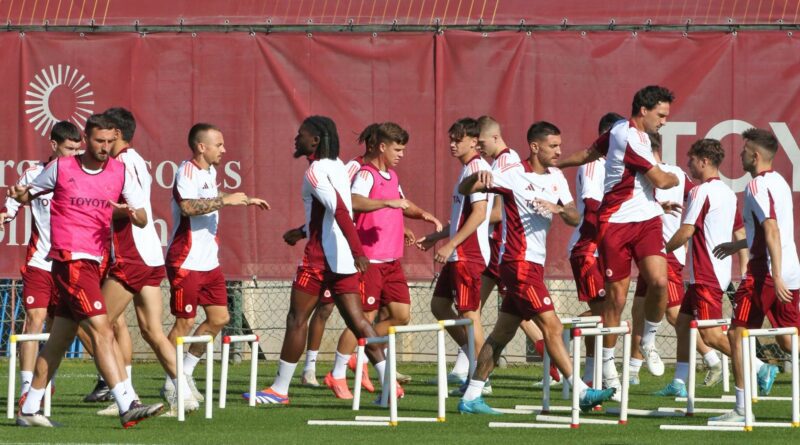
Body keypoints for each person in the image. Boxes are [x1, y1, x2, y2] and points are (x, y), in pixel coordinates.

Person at [10, 114, 163, 428]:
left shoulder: (120, 171)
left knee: (58, 342)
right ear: (86, 140)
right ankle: (127, 402)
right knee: (103, 329)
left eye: (109, 141)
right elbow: (31, 193)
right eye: (98, 141)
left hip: (95, 261)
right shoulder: (62, 167)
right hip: (69, 261)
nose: (105, 147)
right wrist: (17, 195)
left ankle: (30, 407)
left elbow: (144, 217)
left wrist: (134, 215)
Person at [456, 121, 615, 414]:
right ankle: (581, 391)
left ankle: (471, 397)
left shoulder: (556, 176)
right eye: (553, 146)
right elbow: (467, 188)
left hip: (534, 265)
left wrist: (559, 209)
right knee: (552, 326)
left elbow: (573, 216)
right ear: (534, 147)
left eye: (559, 145)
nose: (559, 151)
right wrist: (473, 178)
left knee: (501, 334)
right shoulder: (512, 175)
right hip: (517, 264)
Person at [245, 116, 392, 405]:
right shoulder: (339, 167)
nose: (296, 139)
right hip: (342, 260)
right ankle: (390, 388)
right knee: (360, 323)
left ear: (315, 140)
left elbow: (338, 210)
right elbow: (331, 214)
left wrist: (359, 250)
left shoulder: (315, 170)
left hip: (320, 260)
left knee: (296, 319)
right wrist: (301, 232)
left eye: (301, 135)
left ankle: (279, 390)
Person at [558, 85, 680, 396]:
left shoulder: (617, 132)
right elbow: (662, 180)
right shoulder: (626, 136)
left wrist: (557, 164)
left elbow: (589, 152)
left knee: (659, 282)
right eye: (662, 115)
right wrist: (675, 176)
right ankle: (609, 366)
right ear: (644, 111)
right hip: (616, 224)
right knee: (616, 301)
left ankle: (647, 340)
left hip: (648, 220)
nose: (665, 121)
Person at [91, 108, 198, 415]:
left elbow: (131, 209)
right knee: (152, 330)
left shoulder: (120, 163)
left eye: (104, 134)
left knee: (98, 325)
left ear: (115, 133)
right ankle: (185, 392)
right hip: (150, 254)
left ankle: (124, 394)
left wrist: (90, 208)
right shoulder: (136, 159)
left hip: (133, 255)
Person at [324, 122, 442, 399]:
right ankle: (338, 372)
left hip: (392, 260)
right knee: (362, 318)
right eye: (397, 149)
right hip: (370, 261)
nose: (401, 154)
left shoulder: (392, 175)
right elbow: (354, 201)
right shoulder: (365, 174)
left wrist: (424, 216)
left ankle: (360, 357)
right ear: (382, 147)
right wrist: (388, 205)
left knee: (400, 315)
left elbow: (402, 203)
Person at [164, 123, 270, 402]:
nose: (224, 149)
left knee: (220, 318)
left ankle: (185, 372)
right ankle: (171, 381)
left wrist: (243, 199)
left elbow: (211, 198)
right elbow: (188, 206)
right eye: (219, 145)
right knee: (184, 322)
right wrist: (226, 202)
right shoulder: (185, 172)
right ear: (202, 147)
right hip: (185, 260)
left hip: (209, 261)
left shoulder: (209, 171)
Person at [710, 128, 800, 423]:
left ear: (756, 156)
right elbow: (766, 231)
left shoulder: (757, 186)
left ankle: (740, 409)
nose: (740, 155)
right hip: (789, 270)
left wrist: (774, 274)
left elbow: (772, 229)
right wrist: (737, 244)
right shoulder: (780, 182)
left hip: (767, 273)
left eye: (744, 151)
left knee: (738, 334)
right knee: (791, 340)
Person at [650, 138, 748, 397]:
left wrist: (659, 252)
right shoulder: (728, 193)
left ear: (704, 161)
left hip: (707, 273)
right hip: (709, 273)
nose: (688, 165)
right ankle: (680, 383)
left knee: (712, 336)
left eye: (692, 160)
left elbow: (686, 231)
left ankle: (757, 367)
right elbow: (739, 232)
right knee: (682, 323)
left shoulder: (700, 191)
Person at [1, 121, 81, 401]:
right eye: (69, 148)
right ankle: (26, 389)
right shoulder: (35, 173)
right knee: (34, 319)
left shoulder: (83, 176)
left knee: (67, 327)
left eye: (77, 149)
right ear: (54, 145)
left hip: (72, 264)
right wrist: (2, 218)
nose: (73, 154)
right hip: (40, 262)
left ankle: (46, 381)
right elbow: (10, 208)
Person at [417, 117, 492, 392]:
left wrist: (451, 245)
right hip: (458, 254)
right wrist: (437, 238)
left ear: (474, 141)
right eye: (451, 139)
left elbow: (480, 215)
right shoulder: (466, 169)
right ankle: (476, 362)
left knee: (471, 315)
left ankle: (483, 378)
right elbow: (462, 218)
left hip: (469, 254)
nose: (452, 144)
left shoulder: (479, 169)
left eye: (457, 139)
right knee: (439, 306)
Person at [565, 112, 621, 386]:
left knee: (607, 314)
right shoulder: (592, 165)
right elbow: (592, 206)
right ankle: (560, 336)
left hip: (604, 250)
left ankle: (589, 375)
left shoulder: (616, 167)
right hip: (587, 249)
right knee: (604, 314)